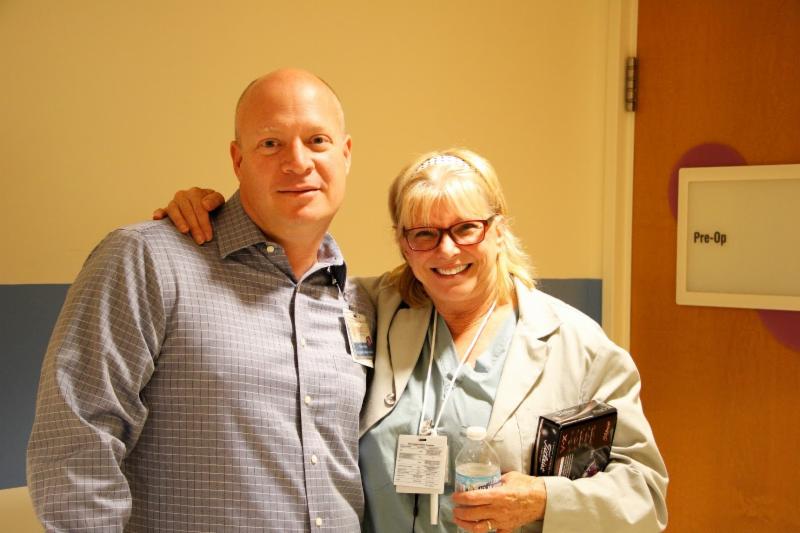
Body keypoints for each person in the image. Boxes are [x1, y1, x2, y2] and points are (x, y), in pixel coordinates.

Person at [157, 148, 669, 532]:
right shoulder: (366, 307)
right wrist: (215, 213)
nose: (446, 251)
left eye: (466, 228)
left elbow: (646, 493)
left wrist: (543, 500)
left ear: (498, 231)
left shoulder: (578, 347)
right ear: (403, 244)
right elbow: (274, 290)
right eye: (423, 234)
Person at [27, 68, 375, 532]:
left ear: (345, 154)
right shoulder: (148, 260)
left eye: (317, 140)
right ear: (238, 160)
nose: (297, 162)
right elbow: (76, 443)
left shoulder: (360, 301)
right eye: (271, 143)